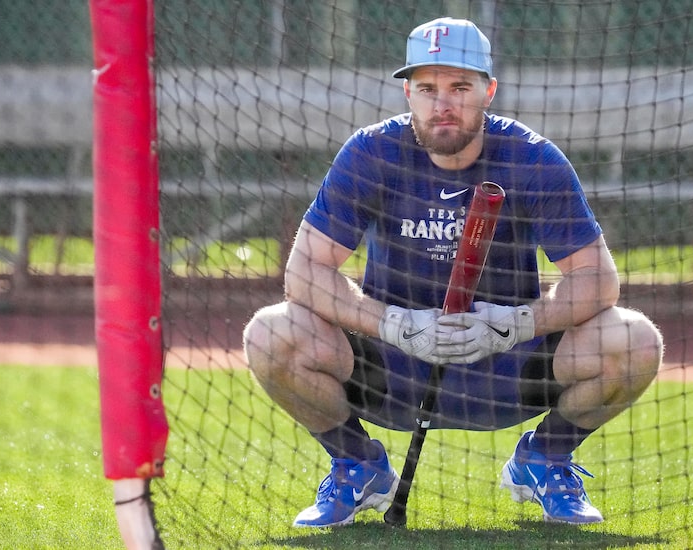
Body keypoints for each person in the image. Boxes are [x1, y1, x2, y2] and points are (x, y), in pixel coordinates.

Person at [243, 17, 663, 528]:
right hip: (392, 366)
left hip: (508, 368)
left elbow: (598, 279)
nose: (442, 103)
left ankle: (547, 457)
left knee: (636, 340)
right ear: (408, 93)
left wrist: (512, 325)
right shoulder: (371, 152)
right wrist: (395, 324)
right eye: (427, 88)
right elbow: (304, 271)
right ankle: (356, 464)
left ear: (488, 91)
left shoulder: (531, 158)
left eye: (460, 87)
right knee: (269, 332)